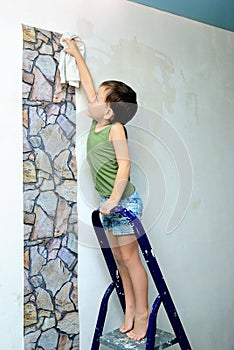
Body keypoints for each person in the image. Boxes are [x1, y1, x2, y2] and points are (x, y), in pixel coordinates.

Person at [62, 38, 149, 341]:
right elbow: (87, 84)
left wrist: (113, 200)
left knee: (130, 259)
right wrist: (76, 55)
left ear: (109, 111)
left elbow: (124, 166)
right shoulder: (101, 122)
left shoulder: (115, 128)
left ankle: (143, 314)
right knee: (120, 262)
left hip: (123, 202)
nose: (92, 97)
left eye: (98, 97)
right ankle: (128, 310)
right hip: (108, 202)